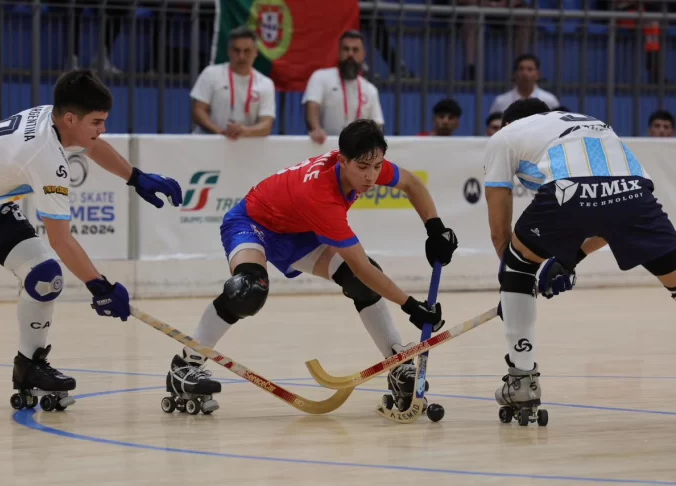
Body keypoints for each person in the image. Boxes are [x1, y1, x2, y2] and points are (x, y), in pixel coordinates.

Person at [164, 119, 459, 415]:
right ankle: (186, 364)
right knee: (248, 290)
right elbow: (361, 268)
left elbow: (412, 183)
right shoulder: (322, 196)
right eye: (363, 167)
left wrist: (436, 229)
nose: (371, 177)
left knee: (358, 283)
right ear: (342, 161)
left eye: (377, 166)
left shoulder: (363, 164)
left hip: (300, 231)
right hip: (254, 224)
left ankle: (397, 362)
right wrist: (411, 306)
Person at [0, 70, 183, 411]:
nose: (102, 129)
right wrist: (100, 287)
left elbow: (91, 145)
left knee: (45, 277)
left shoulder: (51, 116)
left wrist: (135, 177)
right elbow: (61, 240)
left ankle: (29, 366)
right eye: (98, 121)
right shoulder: (44, 155)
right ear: (71, 118)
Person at [483, 99, 676, 425]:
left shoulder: (506, 136)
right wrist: (569, 260)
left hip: (567, 190)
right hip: (634, 193)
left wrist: (515, 288)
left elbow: (499, 234)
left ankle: (522, 380)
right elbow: (611, 215)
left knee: (518, 263)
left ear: (508, 123)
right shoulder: (592, 123)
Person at [190, 26, 276, 139]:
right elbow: (198, 111)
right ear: (229, 51)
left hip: (246, 147)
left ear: (256, 52)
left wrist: (245, 131)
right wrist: (221, 133)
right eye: (237, 50)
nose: (241, 56)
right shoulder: (211, 74)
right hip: (209, 144)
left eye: (247, 51)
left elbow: (266, 125)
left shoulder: (265, 84)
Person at [302, 31, 384, 145]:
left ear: (363, 55)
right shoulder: (320, 77)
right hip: (324, 147)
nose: (350, 54)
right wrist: (315, 128)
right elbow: (312, 105)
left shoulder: (370, 90)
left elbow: (377, 124)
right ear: (339, 52)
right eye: (346, 49)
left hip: (357, 152)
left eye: (355, 50)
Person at [489, 54, 559, 115]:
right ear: (514, 74)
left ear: (538, 74)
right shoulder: (501, 101)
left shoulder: (549, 100)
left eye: (530, 69)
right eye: (521, 69)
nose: (525, 73)